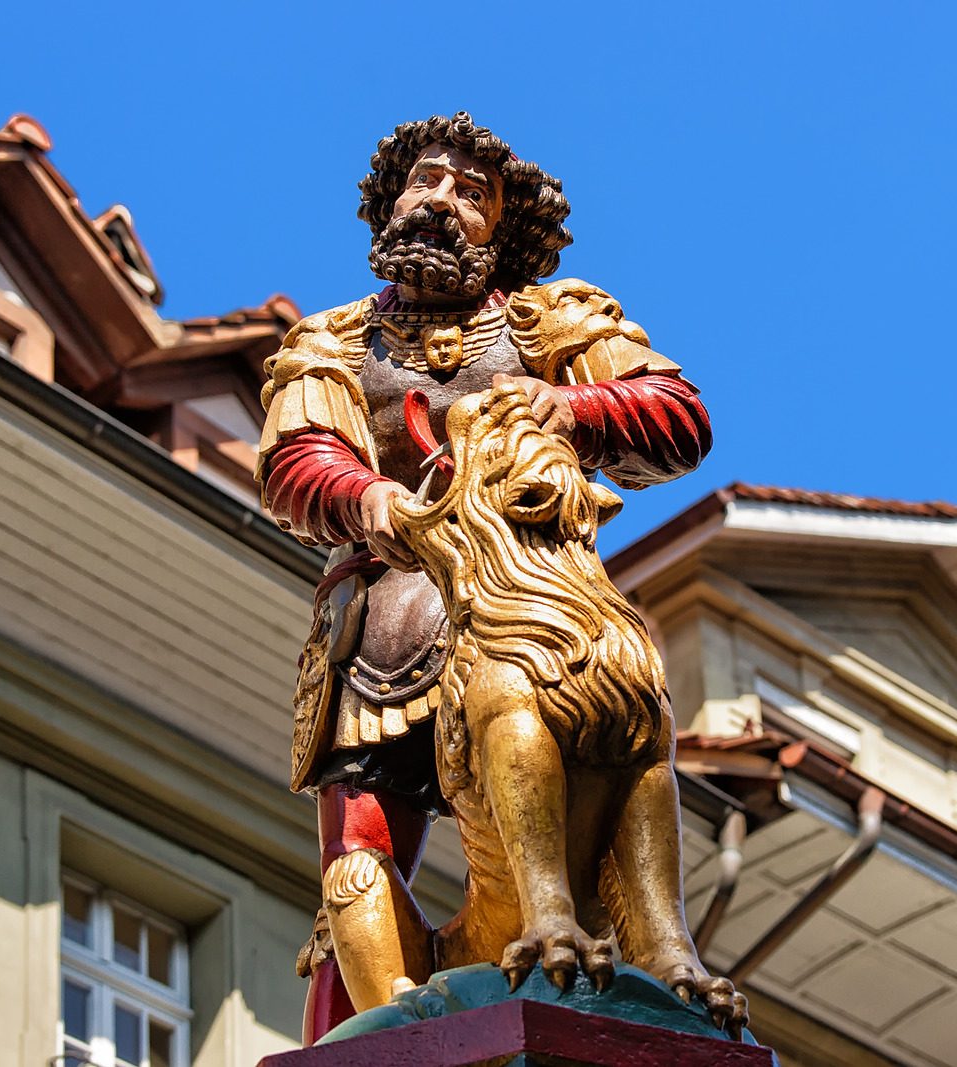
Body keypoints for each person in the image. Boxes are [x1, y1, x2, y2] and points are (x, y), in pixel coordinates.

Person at [254, 112, 712, 1042]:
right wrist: (373, 502)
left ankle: (635, 951)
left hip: (535, 598)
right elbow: (296, 462)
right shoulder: (330, 342)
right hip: (387, 617)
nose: (444, 201)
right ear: (392, 199)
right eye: (428, 180)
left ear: (501, 230)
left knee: (622, 739)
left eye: (473, 195)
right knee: (363, 840)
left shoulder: (552, 319)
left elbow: (676, 416)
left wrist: (570, 403)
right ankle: (381, 1028)